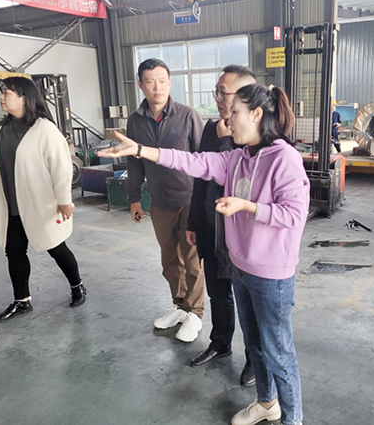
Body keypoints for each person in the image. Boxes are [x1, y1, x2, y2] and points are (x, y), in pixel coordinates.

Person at [99, 84, 309, 425]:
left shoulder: (284, 158)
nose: (228, 119)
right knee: (255, 345)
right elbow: (190, 161)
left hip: (272, 275)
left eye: (235, 112)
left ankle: (292, 419)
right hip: (241, 268)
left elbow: (294, 215)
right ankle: (267, 402)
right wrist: (139, 149)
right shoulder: (237, 158)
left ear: (256, 114)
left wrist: (247, 206)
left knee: (278, 351)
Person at [0, 77, 86, 323]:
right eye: (2, 93)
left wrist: (64, 200)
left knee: (56, 247)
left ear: (24, 97)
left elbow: (61, 168)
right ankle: (22, 300)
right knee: (14, 252)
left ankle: (77, 286)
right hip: (11, 206)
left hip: (40, 204)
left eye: (7, 93)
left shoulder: (44, 129)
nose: (2, 97)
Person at [186, 65, 257, 387]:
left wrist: (227, 141)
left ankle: (256, 359)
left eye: (222, 93)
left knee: (250, 302)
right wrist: (194, 221)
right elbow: (201, 177)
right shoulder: (210, 128)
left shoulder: (258, 135)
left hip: (242, 235)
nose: (217, 98)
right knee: (218, 292)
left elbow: (243, 179)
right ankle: (221, 342)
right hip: (211, 228)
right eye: (216, 91)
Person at [126, 58, 205, 343]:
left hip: (189, 200)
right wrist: (134, 198)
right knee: (169, 260)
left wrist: (204, 202)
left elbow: (204, 161)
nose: (157, 87)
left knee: (193, 260)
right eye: (150, 81)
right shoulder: (135, 121)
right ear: (141, 85)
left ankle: (195, 313)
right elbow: (134, 162)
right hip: (159, 202)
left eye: (162, 81)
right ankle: (180, 305)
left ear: (169, 83)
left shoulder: (187, 115)